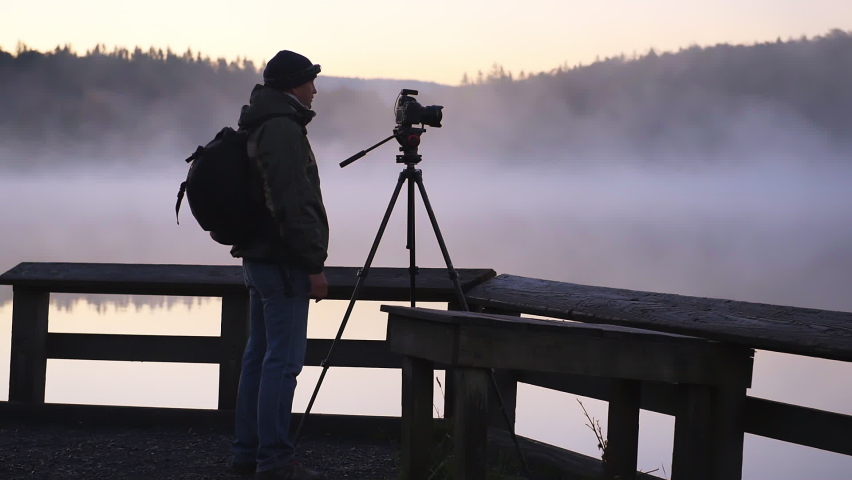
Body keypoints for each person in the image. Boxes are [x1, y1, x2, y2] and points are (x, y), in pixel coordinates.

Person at [229, 49, 330, 480]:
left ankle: (248, 453)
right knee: (282, 362)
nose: (314, 89)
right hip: (284, 261)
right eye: (309, 80)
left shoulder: (258, 121)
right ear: (293, 84)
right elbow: (292, 203)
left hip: (259, 258)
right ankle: (274, 460)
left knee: (258, 356)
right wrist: (313, 265)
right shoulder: (283, 130)